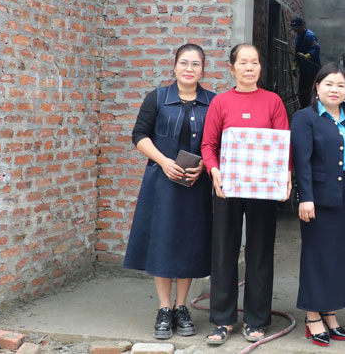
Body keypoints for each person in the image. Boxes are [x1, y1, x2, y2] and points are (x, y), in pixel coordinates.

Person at [200, 43, 291, 346]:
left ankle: (256, 319)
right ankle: (222, 319)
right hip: (227, 187)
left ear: (260, 68)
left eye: (254, 62)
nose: (249, 67)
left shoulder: (273, 102)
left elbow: (282, 144)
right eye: (243, 62)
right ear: (232, 68)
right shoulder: (221, 102)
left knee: (260, 251)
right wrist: (214, 171)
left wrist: (285, 179)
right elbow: (208, 145)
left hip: (263, 189)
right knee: (224, 250)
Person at [124, 43, 215, 340]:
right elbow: (139, 135)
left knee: (188, 242)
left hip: (195, 184)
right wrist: (162, 161)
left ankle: (181, 306)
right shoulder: (158, 98)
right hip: (161, 182)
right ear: (174, 66)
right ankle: (164, 309)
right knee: (162, 242)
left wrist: (204, 164)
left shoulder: (212, 102)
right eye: (184, 63)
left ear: (203, 69)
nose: (189, 69)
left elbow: (215, 143)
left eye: (196, 64)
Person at [292, 63, 345, 347]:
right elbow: (302, 162)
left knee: (341, 256)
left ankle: (330, 312)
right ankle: (313, 316)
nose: (335, 90)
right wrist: (305, 197)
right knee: (317, 255)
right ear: (317, 88)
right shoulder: (305, 117)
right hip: (318, 198)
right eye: (329, 84)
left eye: (340, 85)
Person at [291, 17, 321, 109]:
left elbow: (316, 49)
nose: (295, 31)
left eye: (297, 28)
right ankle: (303, 108)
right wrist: (295, 65)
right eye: (294, 29)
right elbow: (297, 52)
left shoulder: (310, 36)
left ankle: (311, 108)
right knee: (301, 91)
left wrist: (307, 56)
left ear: (302, 26)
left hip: (312, 69)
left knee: (310, 91)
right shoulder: (298, 37)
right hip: (303, 70)